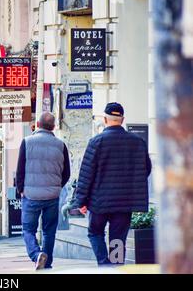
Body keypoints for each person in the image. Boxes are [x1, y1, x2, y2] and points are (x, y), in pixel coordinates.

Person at [66, 103, 152, 265]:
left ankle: (105, 265)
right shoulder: (138, 142)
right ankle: (116, 267)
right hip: (125, 201)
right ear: (122, 119)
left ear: (105, 119)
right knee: (118, 239)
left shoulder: (96, 142)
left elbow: (86, 174)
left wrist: (81, 201)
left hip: (100, 201)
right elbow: (146, 169)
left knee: (95, 232)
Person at [16, 112, 71, 270]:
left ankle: (36, 254)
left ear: (38, 125)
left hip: (31, 195)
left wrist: (21, 189)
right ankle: (48, 260)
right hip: (52, 196)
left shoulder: (27, 142)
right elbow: (66, 172)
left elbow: (20, 169)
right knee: (49, 231)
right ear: (53, 127)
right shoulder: (61, 145)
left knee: (28, 229)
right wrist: (57, 186)